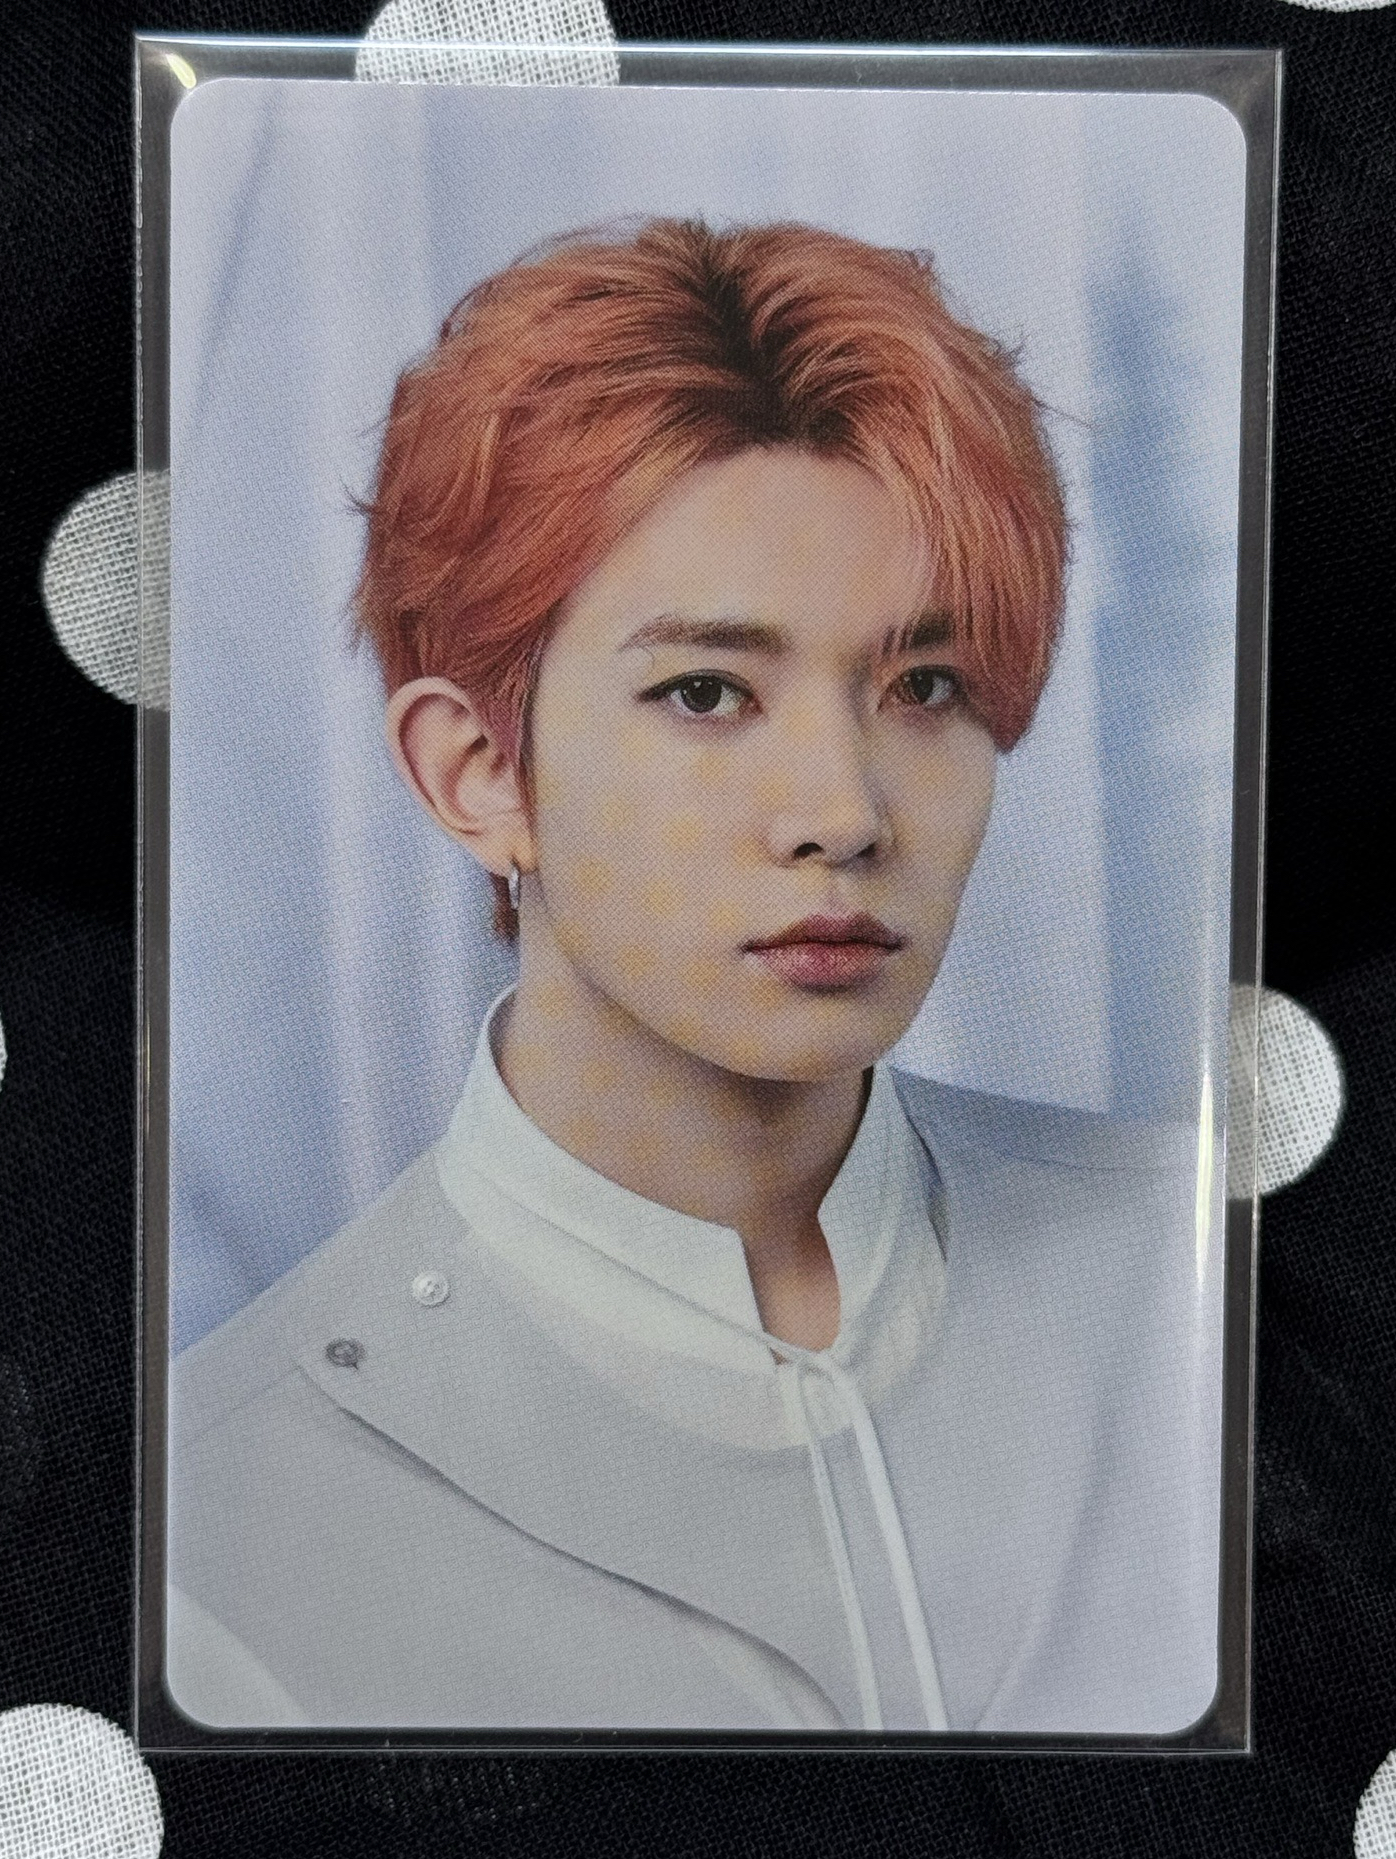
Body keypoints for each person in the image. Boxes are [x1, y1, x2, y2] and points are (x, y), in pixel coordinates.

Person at [166, 219, 1220, 1735]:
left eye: (924, 685)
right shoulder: (226, 1520)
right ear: (478, 774)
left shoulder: (1216, 1286)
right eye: (708, 691)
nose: (845, 812)